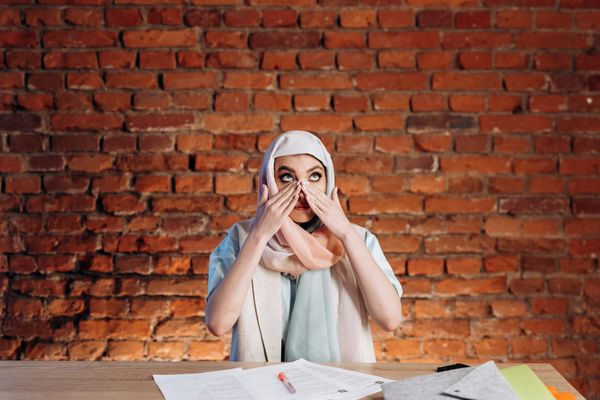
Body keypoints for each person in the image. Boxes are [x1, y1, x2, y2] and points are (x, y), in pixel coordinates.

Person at [206, 130, 403, 362]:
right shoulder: (241, 238)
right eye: (287, 177)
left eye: (315, 177)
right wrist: (259, 235)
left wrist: (346, 235)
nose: (301, 190)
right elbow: (218, 324)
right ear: (268, 182)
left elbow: (389, 320)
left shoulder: (358, 239)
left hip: (342, 390)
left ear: (329, 182)